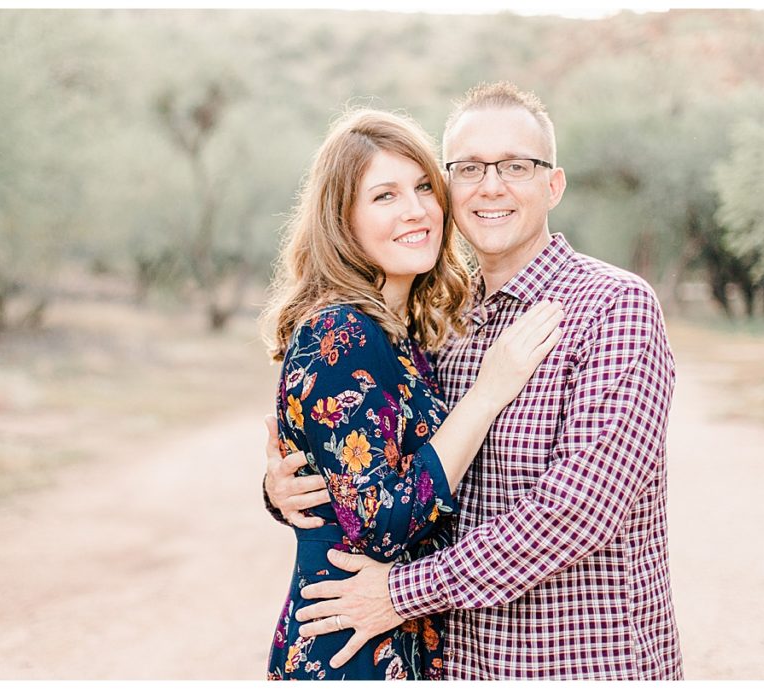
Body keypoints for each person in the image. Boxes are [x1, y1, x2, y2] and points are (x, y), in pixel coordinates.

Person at [264, 82, 683, 680]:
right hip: (457, 666)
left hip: (576, 663)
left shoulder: (612, 307)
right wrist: (291, 486)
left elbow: (578, 513)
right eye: (468, 169)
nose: (492, 186)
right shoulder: (442, 327)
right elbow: (381, 468)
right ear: (453, 190)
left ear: (552, 184)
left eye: (516, 165)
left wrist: (401, 593)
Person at [259, 107, 563, 680]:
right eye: (384, 196)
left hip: (400, 640)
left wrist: (282, 493)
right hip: (352, 649)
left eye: (425, 186)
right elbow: (380, 522)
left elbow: (351, 477)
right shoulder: (342, 334)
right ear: (341, 220)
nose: (416, 209)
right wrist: (487, 393)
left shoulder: (403, 336)